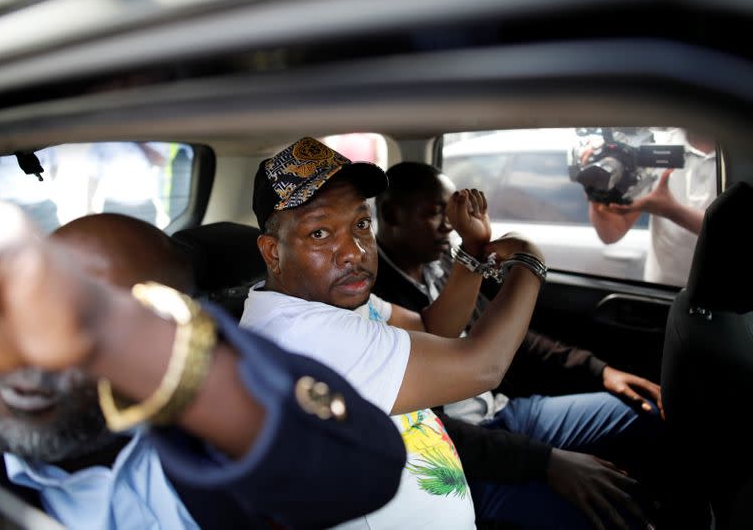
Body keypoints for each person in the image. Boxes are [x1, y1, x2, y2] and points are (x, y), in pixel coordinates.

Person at [240, 137, 645, 529]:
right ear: (273, 252)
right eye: (320, 233)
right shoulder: (301, 336)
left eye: (361, 224)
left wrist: (470, 250)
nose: (355, 252)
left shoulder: (332, 305)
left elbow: (436, 327)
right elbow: (483, 366)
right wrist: (529, 262)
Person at [0, 204, 406, 529]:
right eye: (21, 311)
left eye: (70, 313)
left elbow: (362, 471)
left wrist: (102, 328)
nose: (38, 352)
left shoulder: (216, 447)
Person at [373, 161, 665, 528]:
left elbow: (503, 337)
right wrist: (546, 461)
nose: (450, 226)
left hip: (505, 414)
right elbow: (429, 424)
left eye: (452, 213)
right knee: (600, 515)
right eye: (436, 214)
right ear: (390, 215)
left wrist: (599, 371)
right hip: (458, 455)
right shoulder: (372, 299)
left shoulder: (444, 266)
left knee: (647, 413)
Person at [588, 128, 717, 286]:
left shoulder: (743, 146)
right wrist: (597, 189)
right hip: (661, 292)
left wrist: (672, 210)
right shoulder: (655, 144)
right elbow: (611, 233)